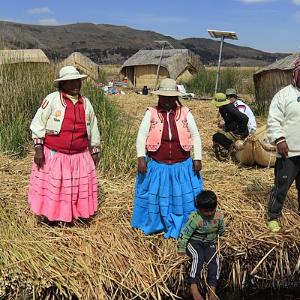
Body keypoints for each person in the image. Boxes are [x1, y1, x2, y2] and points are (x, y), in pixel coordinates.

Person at [131, 78, 203, 239]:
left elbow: (195, 135)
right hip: (158, 165)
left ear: (176, 98)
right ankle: (157, 223)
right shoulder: (151, 113)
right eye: (164, 97)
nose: (167, 101)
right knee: (157, 196)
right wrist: (141, 158)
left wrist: (197, 158)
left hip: (181, 165)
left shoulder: (185, 113)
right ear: (159, 97)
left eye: (170, 98)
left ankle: (184, 223)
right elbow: (141, 136)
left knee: (181, 196)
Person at [28, 65, 100, 224]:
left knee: (73, 188)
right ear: (62, 84)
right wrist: (38, 149)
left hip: (79, 156)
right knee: (56, 188)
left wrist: (94, 150)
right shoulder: (52, 99)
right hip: (55, 155)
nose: (76, 85)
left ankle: (72, 216)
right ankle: (51, 218)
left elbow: (93, 127)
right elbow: (38, 123)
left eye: (78, 81)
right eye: (70, 82)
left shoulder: (86, 103)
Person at [266, 58, 300, 232]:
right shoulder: (284, 95)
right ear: (295, 73)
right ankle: (273, 215)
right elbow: (273, 120)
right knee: (282, 186)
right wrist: (280, 139)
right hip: (289, 152)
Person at [178, 190, 225, 300]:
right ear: (199, 209)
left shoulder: (218, 215)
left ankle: (212, 289)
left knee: (215, 260)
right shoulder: (195, 218)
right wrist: (181, 248)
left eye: (211, 210)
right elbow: (184, 234)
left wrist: (221, 240)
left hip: (209, 243)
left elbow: (221, 230)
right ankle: (193, 287)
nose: (209, 213)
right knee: (198, 257)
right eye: (205, 211)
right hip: (195, 242)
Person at [211, 93, 249, 161]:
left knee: (216, 136)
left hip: (239, 132)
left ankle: (232, 149)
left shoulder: (230, 109)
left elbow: (245, 118)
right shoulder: (222, 108)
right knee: (218, 135)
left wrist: (240, 132)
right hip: (231, 130)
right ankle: (227, 149)